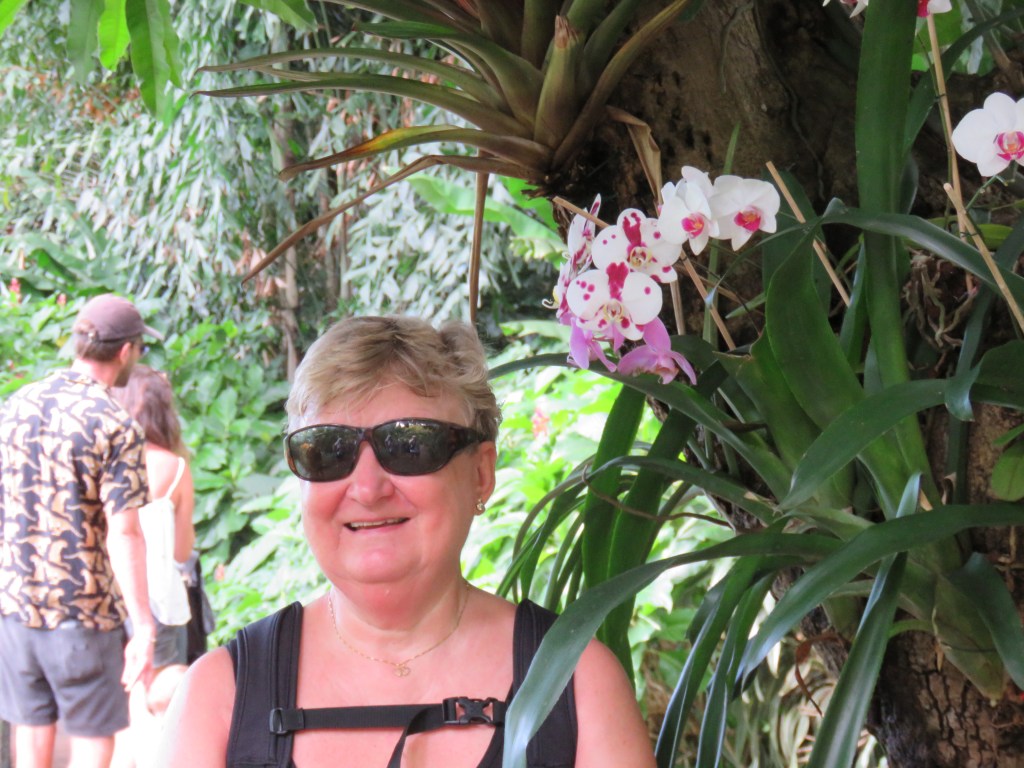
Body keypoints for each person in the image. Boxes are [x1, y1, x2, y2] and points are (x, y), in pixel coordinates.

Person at [158, 315, 656, 768]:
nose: (367, 488)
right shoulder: (218, 698)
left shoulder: (578, 684)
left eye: (410, 445)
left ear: (481, 474)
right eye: (328, 450)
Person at [0, 293, 161, 768]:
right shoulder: (114, 425)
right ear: (125, 351)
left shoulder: (16, 406)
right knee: (92, 739)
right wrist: (144, 627)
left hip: (16, 609)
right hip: (83, 617)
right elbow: (124, 532)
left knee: (31, 733)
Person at [110, 365, 196, 768]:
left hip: (110, 600)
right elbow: (181, 551)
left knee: (120, 709)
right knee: (165, 698)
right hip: (160, 600)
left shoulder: (106, 462)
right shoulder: (174, 467)